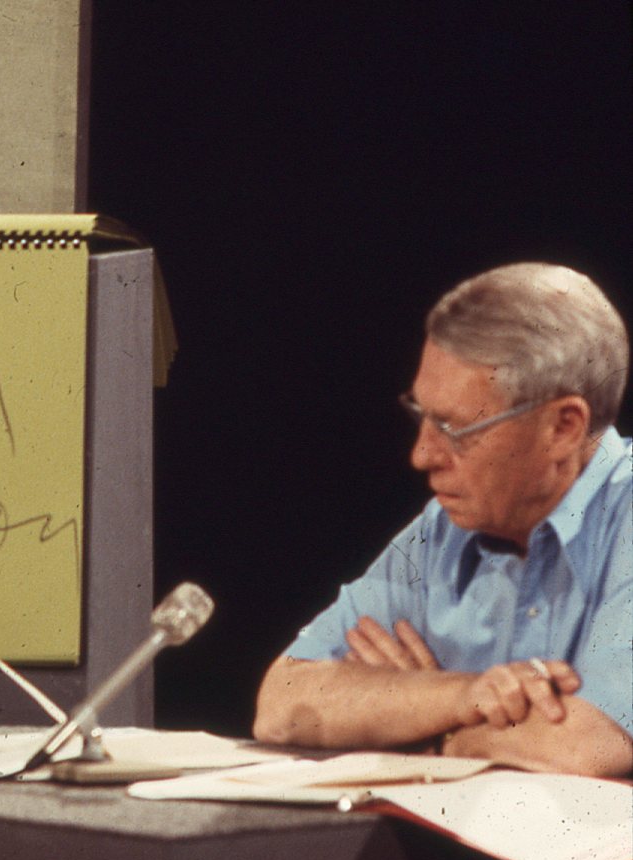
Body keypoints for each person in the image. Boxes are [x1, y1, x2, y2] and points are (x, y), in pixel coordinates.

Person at [254, 262, 631, 778]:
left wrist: (424, 732)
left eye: (455, 428)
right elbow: (283, 702)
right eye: (421, 415)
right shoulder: (444, 530)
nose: (422, 454)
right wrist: (462, 694)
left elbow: (587, 747)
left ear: (564, 427)